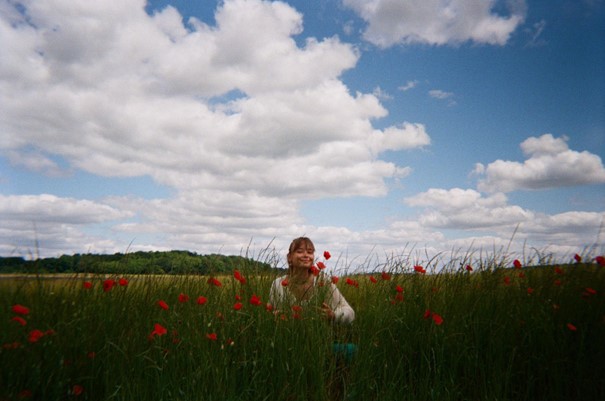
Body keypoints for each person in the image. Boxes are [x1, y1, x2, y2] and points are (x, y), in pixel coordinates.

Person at [269, 237, 355, 324]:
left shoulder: (322, 281)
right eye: (300, 251)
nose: (306, 255)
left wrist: (333, 316)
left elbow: (350, 313)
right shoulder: (277, 284)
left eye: (310, 252)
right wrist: (276, 316)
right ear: (289, 257)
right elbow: (270, 314)